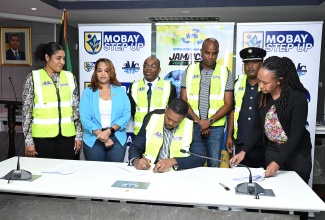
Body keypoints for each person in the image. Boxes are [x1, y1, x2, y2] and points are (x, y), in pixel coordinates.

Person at [230, 56, 312, 184]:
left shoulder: (297, 98)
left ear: (279, 80)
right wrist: (243, 151)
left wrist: (278, 162)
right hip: (272, 151)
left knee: (297, 191)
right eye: (259, 81)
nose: (261, 86)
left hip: (297, 154)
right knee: (275, 190)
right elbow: (257, 128)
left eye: (265, 82)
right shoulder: (261, 97)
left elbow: (296, 135)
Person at [180, 38, 234, 167]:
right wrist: (200, 122)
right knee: (192, 163)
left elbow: (228, 104)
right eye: (207, 53)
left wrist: (208, 121)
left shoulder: (225, 72)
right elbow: (183, 101)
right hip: (193, 125)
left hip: (215, 128)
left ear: (218, 53)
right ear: (201, 52)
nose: (210, 56)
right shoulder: (189, 71)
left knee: (214, 164)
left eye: (214, 53)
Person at [23, 42, 82, 159]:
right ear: (47, 57)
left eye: (63, 58)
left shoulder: (70, 77)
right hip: (42, 137)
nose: (62, 62)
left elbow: (76, 109)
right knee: (43, 173)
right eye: (58, 58)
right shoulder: (33, 78)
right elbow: (26, 112)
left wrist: (78, 135)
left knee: (66, 171)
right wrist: (28, 141)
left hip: (67, 136)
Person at [128, 98, 206, 172]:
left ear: (184, 117)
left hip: (178, 173)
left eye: (176, 121)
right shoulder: (151, 119)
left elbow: (200, 158)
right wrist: (135, 160)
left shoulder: (192, 127)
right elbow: (136, 146)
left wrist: (174, 161)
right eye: (168, 118)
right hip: (151, 170)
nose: (170, 123)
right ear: (166, 108)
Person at [80, 58, 131, 162]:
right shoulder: (87, 92)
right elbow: (85, 118)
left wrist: (109, 131)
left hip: (116, 139)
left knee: (115, 173)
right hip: (93, 139)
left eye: (106, 70)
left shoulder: (120, 91)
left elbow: (126, 115)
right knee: (96, 174)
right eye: (99, 70)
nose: (103, 74)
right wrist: (102, 136)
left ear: (111, 72)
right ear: (95, 73)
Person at [226, 47, 267, 168]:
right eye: (247, 63)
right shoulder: (237, 83)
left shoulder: (268, 85)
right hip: (241, 141)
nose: (250, 66)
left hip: (262, 143)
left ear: (261, 64)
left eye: (254, 62)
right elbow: (233, 111)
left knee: (261, 179)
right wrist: (229, 136)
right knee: (240, 178)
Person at [129, 56, 177, 135]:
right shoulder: (134, 86)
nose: (148, 69)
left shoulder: (169, 87)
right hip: (139, 134)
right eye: (145, 66)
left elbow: (172, 112)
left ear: (159, 70)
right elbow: (132, 110)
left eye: (153, 66)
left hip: (160, 133)